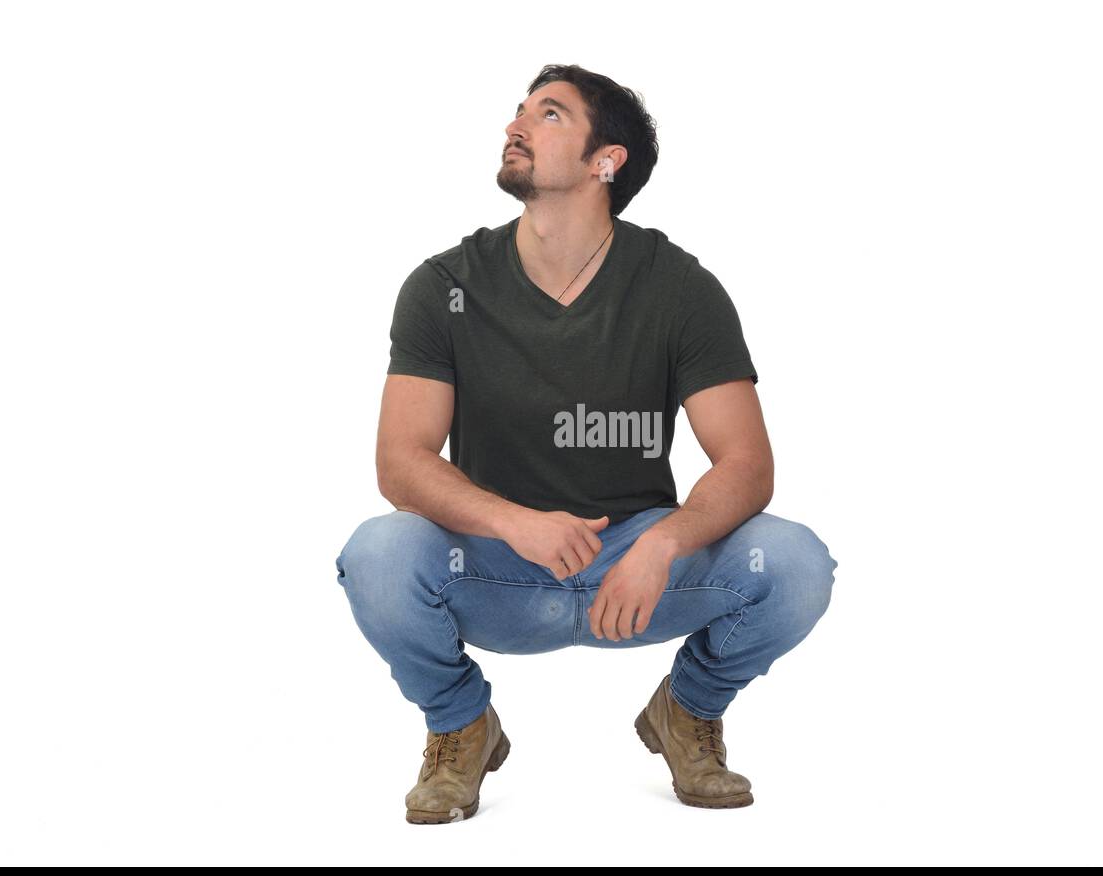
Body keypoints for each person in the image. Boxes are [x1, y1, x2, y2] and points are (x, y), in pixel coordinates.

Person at [335, 64, 838, 824]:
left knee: (796, 562)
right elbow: (399, 463)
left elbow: (746, 463)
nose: (517, 126)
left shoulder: (678, 287)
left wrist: (664, 544)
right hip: (498, 565)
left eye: (550, 115)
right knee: (377, 554)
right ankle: (459, 724)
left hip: (636, 574)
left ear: (607, 162)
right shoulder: (444, 285)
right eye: (518, 112)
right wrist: (514, 523)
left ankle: (688, 710)